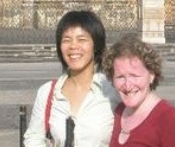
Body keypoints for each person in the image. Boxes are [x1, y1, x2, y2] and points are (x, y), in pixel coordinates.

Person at [24, 10, 119, 147]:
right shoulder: (47, 92)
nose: (73, 46)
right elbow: (34, 137)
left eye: (82, 40)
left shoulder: (114, 91)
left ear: (96, 45)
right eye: (66, 40)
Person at [103, 33, 175, 147]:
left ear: (151, 75)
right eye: (120, 77)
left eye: (135, 76)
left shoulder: (170, 119)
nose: (127, 85)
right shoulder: (118, 112)